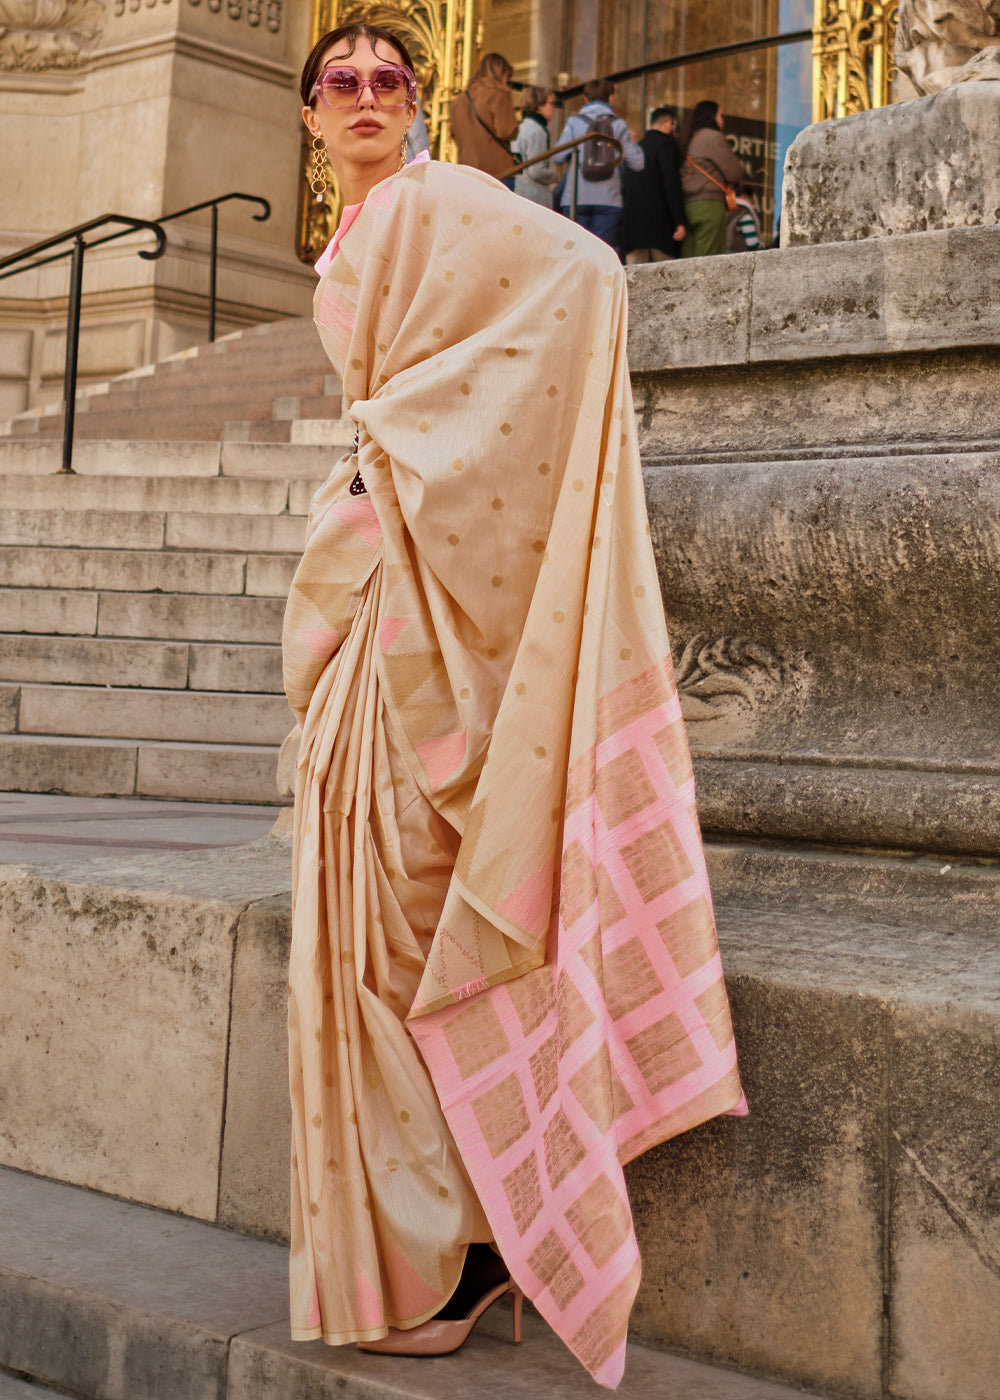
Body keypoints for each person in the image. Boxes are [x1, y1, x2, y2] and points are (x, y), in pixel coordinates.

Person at [289, 20, 745, 1391]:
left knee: (405, 937)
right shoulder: (366, 230)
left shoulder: (438, 201)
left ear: (420, 104)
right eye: (340, 82)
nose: (367, 98)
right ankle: (422, 1248)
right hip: (380, 609)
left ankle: (466, 1251)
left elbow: (591, 275)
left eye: (389, 79)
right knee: (362, 941)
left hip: (423, 606)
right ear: (309, 115)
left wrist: (399, 453)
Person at [551, 77, 644, 256]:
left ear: (585, 99)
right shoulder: (618, 125)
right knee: (603, 256)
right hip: (609, 200)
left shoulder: (574, 122)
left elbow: (558, 156)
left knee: (574, 255)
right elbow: (638, 163)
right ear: (611, 98)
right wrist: (630, 142)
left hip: (575, 199)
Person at [680, 100, 745, 259]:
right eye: (721, 115)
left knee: (688, 262)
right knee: (708, 263)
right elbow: (735, 172)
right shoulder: (713, 137)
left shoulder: (687, 138)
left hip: (687, 207)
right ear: (712, 116)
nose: (722, 120)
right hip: (710, 206)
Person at [621, 105, 686, 263]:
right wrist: (679, 221)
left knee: (634, 280)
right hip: (659, 228)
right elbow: (671, 183)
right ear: (668, 123)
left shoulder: (638, 147)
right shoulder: (666, 145)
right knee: (665, 279)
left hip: (634, 228)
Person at [450, 52, 519, 186]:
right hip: (497, 171)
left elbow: (454, 133)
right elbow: (506, 131)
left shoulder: (458, 100)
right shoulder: (498, 93)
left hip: (468, 169)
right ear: (502, 73)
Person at [511, 85, 560, 208]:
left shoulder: (520, 127)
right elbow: (536, 171)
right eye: (550, 103)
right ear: (539, 106)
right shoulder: (537, 131)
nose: (553, 108)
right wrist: (555, 176)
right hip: (534, 197)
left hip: (518, 192)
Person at [727, 188, 764, 253]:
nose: (752, 202)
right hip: (739, 256)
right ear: (745, 196)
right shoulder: (744, 214)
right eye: (752, 199)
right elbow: (752, 244)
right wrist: (763, 246)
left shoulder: (725, 212)